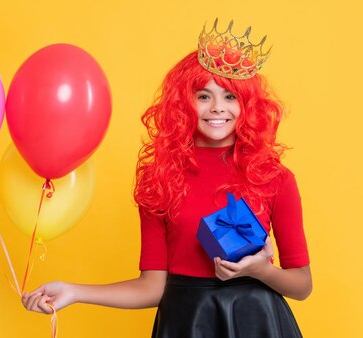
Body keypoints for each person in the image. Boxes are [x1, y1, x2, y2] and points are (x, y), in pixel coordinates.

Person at [22, 19, 312, 338]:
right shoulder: (159, 178)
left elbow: (301, 285)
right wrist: (75, 292)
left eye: (230, 97)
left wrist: (262, 270)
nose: (218, 108)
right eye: (204, 96)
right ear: (184, 102)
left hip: (258, 323)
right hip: (187, 323)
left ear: (247, 105)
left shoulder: (275, 177)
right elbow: (152, 287)